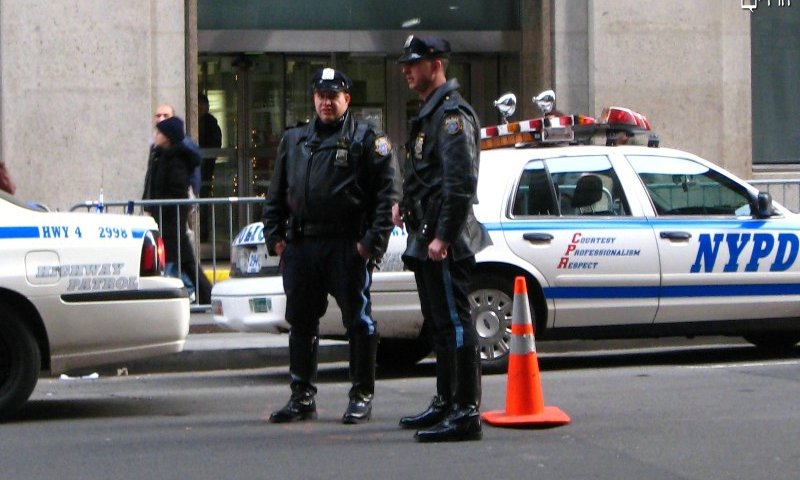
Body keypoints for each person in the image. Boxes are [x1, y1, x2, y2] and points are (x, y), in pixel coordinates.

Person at [262, 67, 398, 424]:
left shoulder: (366, 138)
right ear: (314, 99)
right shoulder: (295, 140)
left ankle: (361, 396)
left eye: (333, 97)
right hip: (303, 245)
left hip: (346, 244)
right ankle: (302, 396)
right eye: (320, 96)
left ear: (346, 100)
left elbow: (387, 195)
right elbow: (277, 192)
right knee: (301, 322)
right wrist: (275, 238)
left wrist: (370, 245)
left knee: (358, 321)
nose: (325, 103)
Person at [394, 35, 492, 442]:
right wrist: (403, 203)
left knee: (454, 324)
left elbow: (459, 182)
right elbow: (424, 172)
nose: (406, 70)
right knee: (438, 325)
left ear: (437, 64)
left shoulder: (452, 115)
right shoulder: (431, 113)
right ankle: (446, 401)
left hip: (444, 238)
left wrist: (444, 237)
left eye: (414, 63)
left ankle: (465, 411)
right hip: (427, 233)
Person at [142, 116, 213, 304]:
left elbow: (175, 190)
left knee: (181, 261)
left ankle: (205, 295)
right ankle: (203, 295)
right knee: (180, 261)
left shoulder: (177, 159)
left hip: (172, 218)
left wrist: (162, 210)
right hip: (162, 216)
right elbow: (151, 183)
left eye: (159, 133)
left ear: (168, 137)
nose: (155, 136)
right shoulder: (159, 155)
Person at [197, 93, 222, 241]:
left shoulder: (212, 124)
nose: (200, 108)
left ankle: (204, 234)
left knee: (204, 202)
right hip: (198, 170)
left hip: (205, 171)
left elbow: (215, 146)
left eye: (202, 105)